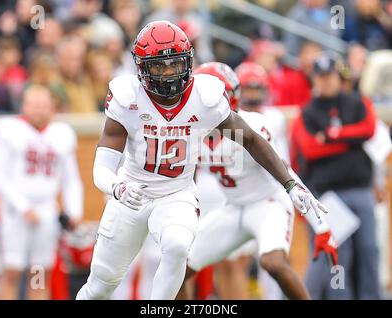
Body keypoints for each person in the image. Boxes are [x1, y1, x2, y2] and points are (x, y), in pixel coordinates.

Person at [76, 20, 327, 300]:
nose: (169, 73)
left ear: (189, 62)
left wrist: (291, 185)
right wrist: (116, 187)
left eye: (175, 64)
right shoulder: (128, 99)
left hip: (176, 194)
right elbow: (102, 166)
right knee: (101, 285)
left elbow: (252, 139)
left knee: (177, 246)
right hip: (132, 191)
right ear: (142, 69)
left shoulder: (204, 101)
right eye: (160, 66)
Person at [179, 62, 337, 300]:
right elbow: (187, 176)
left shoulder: (251, 125)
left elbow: (284, 169)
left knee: (272, 263)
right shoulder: (190, 131)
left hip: (268, 203)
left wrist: (322, 226)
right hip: (233, 208)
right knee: (175, 268)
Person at [290, 53, 379, 299]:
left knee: (369, 249)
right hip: (328, 193)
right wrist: (350, 139)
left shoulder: (356, 102)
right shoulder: (307, 112)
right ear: (315, 80)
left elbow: (369, 129)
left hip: (360, 188)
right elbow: (309, 148)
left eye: (330, 76)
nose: (326, 81)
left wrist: (330, 135)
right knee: (339, 255)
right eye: (321, 77)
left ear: (338, 77)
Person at [0, 85, 84, 300]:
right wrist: (23, 207)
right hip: (15, 212)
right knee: (12, 270)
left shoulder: (61, 134)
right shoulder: (11, 130)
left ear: (52, 107)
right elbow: (0, 175)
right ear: (24, 106)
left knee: (39, 273)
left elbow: (71, 178)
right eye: (34, 105)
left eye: (43, 105)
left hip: (46, 210)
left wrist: (74, 210)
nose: (39, 110)